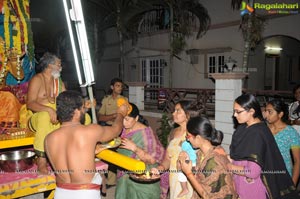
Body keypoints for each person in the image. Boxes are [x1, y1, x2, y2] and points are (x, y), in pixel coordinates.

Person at [44, 90, 128, 199]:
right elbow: (116, 129)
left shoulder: (48, 139)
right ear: (77, 112)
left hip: (60, 192)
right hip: (86, 193)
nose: (84, 111)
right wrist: (121, 113)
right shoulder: (90, 131)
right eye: (83, 108)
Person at [229, 93, 299, 199]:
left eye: (238, 111)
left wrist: (229, 167)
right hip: (239, 184)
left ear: (251, 111)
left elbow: (252, 171)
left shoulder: (258, 132)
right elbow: (238, 156)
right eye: (234, 111)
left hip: (252, 188)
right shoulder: (244, 128)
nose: (234, 115)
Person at [178, 116, 237, 199]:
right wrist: (186, 165)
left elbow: (207, 195)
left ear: (198, 137)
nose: (187, 140)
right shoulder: (201, 153)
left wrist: (188, 173)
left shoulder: (215, 160)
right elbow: (202, 176)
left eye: (188, 136)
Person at [26, 52, 66, 174]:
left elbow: (66, 101)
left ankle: (71, 155)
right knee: (44, 116)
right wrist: (49, 109)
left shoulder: (59, 82)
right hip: (36, 118)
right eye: (59, 64)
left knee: (83, 117)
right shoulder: (37, 79)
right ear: (50, 65)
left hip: (55, 116)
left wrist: (82, 104)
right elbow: (30, 104)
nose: (61, 67)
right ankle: (41, 161)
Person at [115, 102, 165, 199]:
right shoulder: (122, 129)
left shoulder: (146, 134)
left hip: (143, 178)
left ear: (136, 118)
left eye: (127, 119)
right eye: (122, 119)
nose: (123, 122)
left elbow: (153, 160)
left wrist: (135, 148)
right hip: (125, 175)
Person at [152, 100, 199, 199]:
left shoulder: (195, 135)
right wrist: (159, 169)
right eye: (174, 110)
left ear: (188, 115)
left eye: (178, 111)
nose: (173, 113)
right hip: (174, 178)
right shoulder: (173, 132)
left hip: (190, 179)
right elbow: (168, 159)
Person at [98, 77, 127, 189]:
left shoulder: (124, 100)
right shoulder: (106, 100)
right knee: (106, 153)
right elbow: (100, 117)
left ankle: (112, 181)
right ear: (112, 87)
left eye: (121, 86)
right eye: (117, 86)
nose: (120, 88)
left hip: (119, 129)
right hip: (107, 128)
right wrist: (114, 116)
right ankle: (108, 179)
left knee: (115, 153)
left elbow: (125, 117)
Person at [264, 99, 300, 185]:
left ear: (280, 114)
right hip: (263, 175)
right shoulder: (263, 130)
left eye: (270, 112)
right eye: (265, 111)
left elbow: (298, 161)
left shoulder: (291, 132)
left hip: (282, 176)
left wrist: (292, 185)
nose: (266, 115)